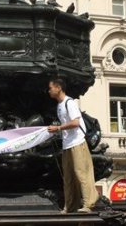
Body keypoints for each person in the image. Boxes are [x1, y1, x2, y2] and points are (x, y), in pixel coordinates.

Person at [47, 77, 99, 213]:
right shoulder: (59, 105)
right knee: (69, 176)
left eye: (50, 88)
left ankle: (89, 203)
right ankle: (70, 206)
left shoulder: (69, 103)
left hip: (77, 142)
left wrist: (58, 129)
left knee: (82, 173)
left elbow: (75, 122)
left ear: (58, 88)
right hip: (67, 144)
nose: (49, 91)